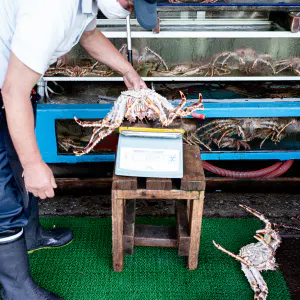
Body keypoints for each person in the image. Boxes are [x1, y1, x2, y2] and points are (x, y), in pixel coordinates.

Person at [0, 0, 158, 299]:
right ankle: (17, 290)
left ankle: (31, 236)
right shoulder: (52, 8)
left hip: (12, 89)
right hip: (9, 89)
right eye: (129, 3)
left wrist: (129, 72)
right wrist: (34, 163)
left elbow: (88, 34)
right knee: (2, 191)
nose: (128, 8)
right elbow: (13, 90)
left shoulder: (83, 5)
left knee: (19, 171)